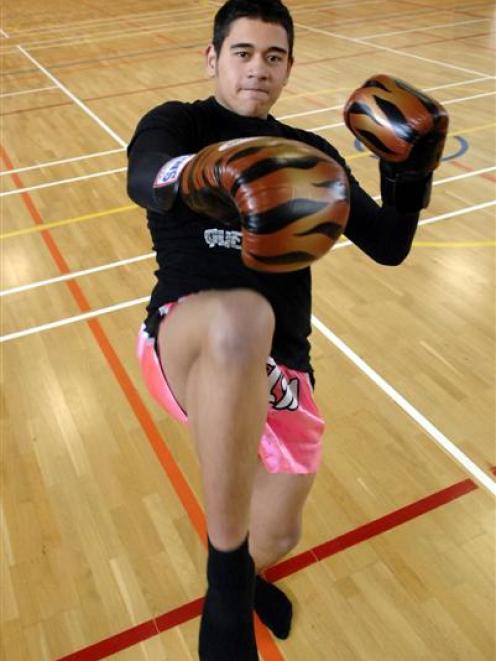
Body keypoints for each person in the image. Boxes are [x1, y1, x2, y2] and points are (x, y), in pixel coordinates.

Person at [126, 1, 448, 658]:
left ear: (290, 67)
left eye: (274, 57)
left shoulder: (311, 154)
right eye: (242, 53)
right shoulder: (177, 123)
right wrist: (204, 172)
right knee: (242, 319)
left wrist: (409, 176)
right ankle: (224, 588)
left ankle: (244, 572)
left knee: (273, 535)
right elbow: (143, 176)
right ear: (213, 58)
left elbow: (387, 245)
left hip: (281, 367)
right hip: (186, 333)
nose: (257, 70)